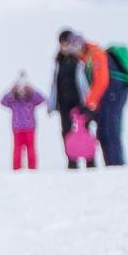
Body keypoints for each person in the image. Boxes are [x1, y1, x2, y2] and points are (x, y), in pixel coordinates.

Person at [52, 30, 94, 170]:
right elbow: (54, 84)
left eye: (67, 43)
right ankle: (72, 161)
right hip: (64, 104)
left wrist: (87, 102)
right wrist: (53, 103)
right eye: (62, 44)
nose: (65, 46)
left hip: (79, 103)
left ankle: (90, 160)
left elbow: (83, 83)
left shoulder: (79, 60)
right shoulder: (58, 61)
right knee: (66, 132)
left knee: (84, 130)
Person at [93, 42, 128, 167]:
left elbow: (101, 81)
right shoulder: (96, 55)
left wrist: (90, 103)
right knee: (109, 130)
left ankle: (115, 165)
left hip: (112, 94)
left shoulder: (95, 56)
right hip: (114, 94)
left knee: (109, 131)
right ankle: (114, 164)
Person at [0, 71, 48, 171]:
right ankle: (17, 169)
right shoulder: (14, 101)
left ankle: (32, 168)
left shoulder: (31, 99)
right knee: (17, 150)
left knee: (30, 149)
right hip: (17, 128)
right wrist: (13, 90)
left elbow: (42, 99)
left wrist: (31, 89)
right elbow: (3, 101)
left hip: (29, 128)